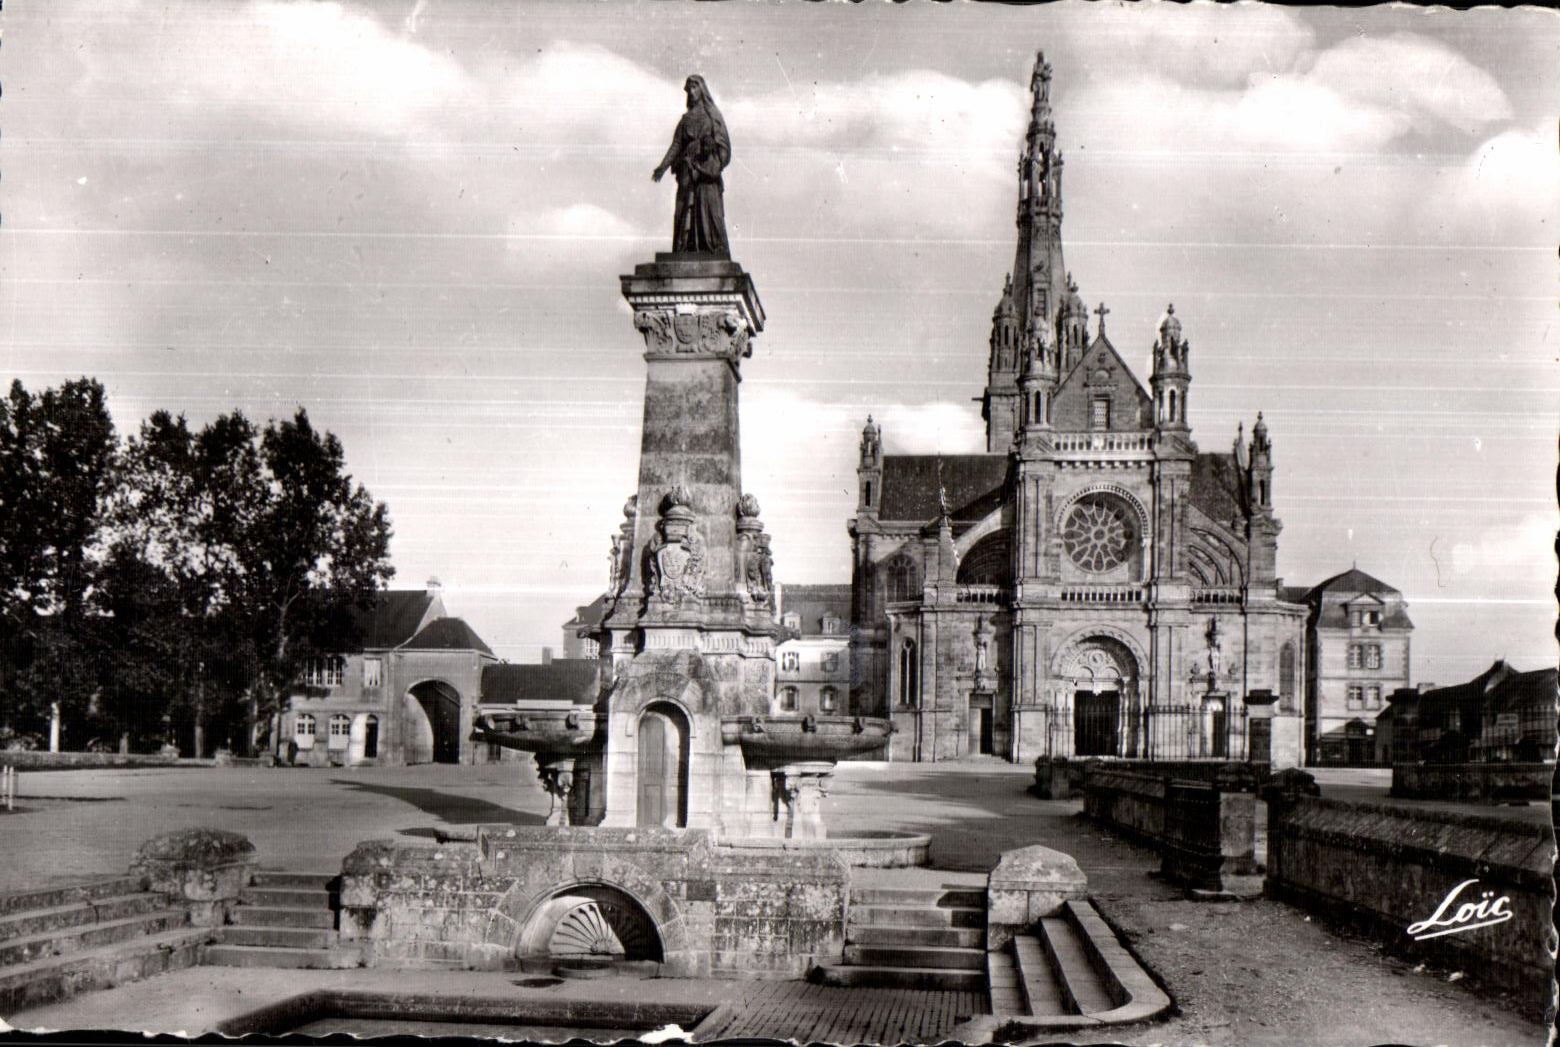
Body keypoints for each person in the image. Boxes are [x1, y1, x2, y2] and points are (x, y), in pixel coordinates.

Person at [652, 75, 731, 256]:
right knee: (683, 213)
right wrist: (663, 167)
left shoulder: (713, 116)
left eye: (695, 88)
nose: (692, 92)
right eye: (689, 90)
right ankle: (684, 249)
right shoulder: (685, 120)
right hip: (687, 171)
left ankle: (714, 251)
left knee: (710, 213)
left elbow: (724, 145)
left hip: (706, 172)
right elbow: (676, 145)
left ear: (702, 90)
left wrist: (715, 162)